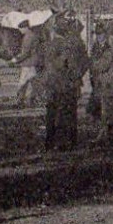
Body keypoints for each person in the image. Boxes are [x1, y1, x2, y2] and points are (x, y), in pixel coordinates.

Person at [43, 18, 91, 152]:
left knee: (52, 113)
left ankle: (50, 141)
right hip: (65, 85)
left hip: (52, 85)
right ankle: (66, 142)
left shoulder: (49, 44)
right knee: (67, 113)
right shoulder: (68, 46)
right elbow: (76, 65)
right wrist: (77, 76)